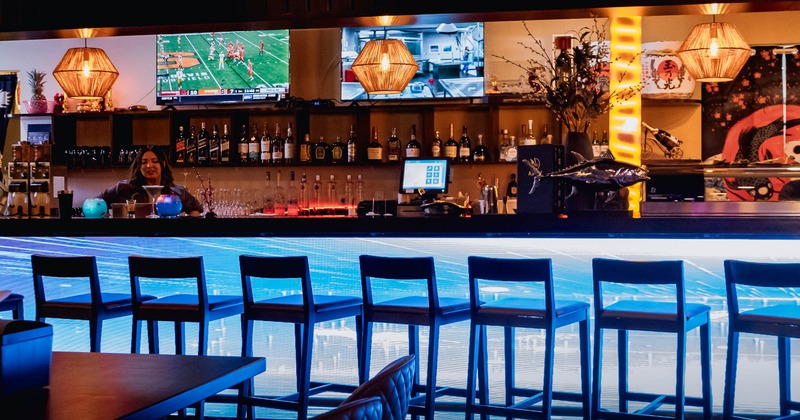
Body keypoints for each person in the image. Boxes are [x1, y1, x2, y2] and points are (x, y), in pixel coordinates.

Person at [98, 146, 204, 217]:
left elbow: (196, 209)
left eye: (154, 161)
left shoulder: (176, 191)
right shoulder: (123, 188)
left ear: (163, 164)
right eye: (144, 162)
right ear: (139, 167)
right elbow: (96, 203)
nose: (149, 166)